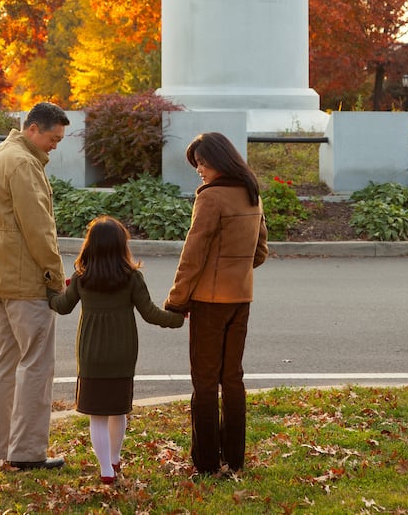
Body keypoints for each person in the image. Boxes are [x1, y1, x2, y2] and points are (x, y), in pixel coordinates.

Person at [0, 101, 70, 470]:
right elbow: (39, 228)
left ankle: (2, 449)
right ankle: (26, 452)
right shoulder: (25, 164)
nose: (55, 146)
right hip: (25, 282)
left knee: (3, 364)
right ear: (34, 129)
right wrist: (55, 276)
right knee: (36, 366)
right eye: (53, 138)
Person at [47, 216, 184, 484]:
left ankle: (105, 470)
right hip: (122, 355)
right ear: (121, 247)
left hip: (91, 356)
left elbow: (62, 306)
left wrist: (48, 293)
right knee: (118, 411)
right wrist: (178, 318)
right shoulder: (132, 278)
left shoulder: (81, 278)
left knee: (97, 415)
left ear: (91, 247)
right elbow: (150, 313)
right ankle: (115, 459)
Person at [164, 132, 268, 476]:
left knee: (205, 382)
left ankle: (207, 462)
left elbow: (193, 253)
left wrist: (177, 300)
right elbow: (261, 251)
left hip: (209, 302)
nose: (199, 170)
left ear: (219, 161)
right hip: (241, 297)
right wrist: (234, 269)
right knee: (233, 378)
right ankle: (234, 458)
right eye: (196, 165)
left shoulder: (210, 199)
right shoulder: (251, 192)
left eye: (203, 163)